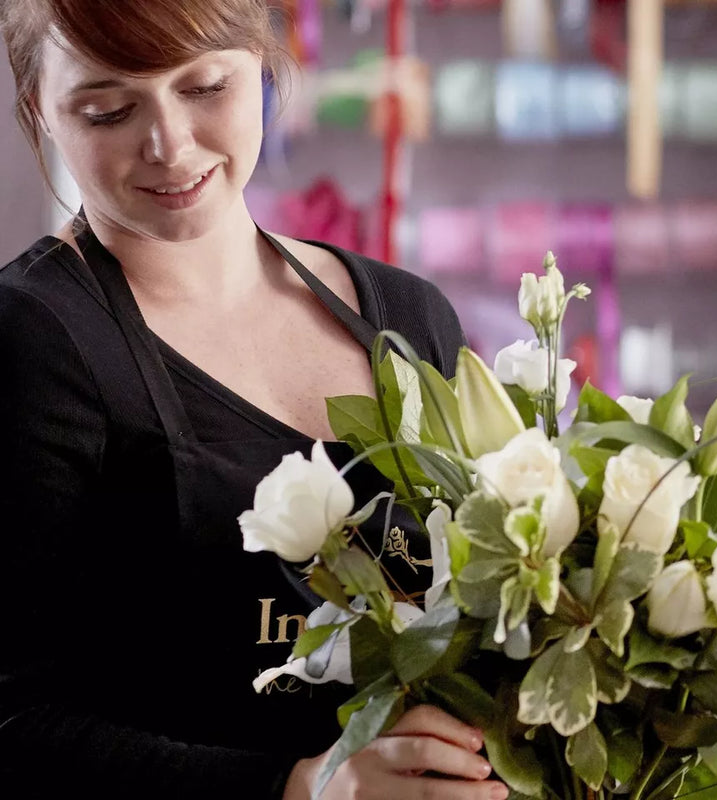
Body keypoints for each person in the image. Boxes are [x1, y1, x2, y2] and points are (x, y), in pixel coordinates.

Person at [0, 1, 511, 799]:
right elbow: (13, 723)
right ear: (40, 109)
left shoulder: (408, 318)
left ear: (265, 70)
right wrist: (305, 788)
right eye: (109, 109)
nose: (170, 145)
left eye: (205, 88)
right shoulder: (34, 342)